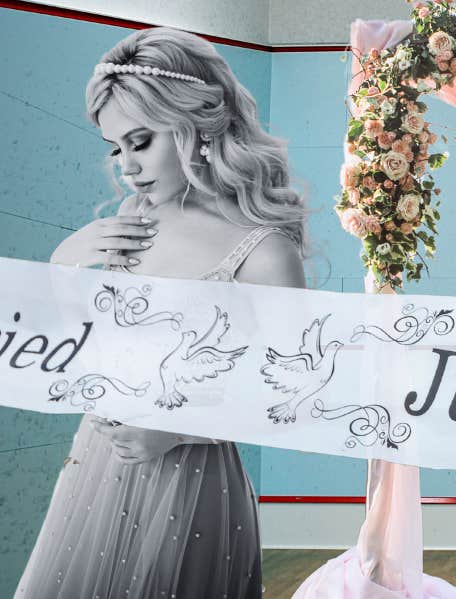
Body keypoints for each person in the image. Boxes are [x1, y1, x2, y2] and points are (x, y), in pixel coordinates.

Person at [16, 27, 307, 598]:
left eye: (141, 141)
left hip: (189, 480)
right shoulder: (134, 218)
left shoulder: (265, 250)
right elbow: (75, 341)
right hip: (96, 463)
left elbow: (293, 394)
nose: (127, 165)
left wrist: (172, 432)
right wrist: (65, 261)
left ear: (194, 124)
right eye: (115, 147)